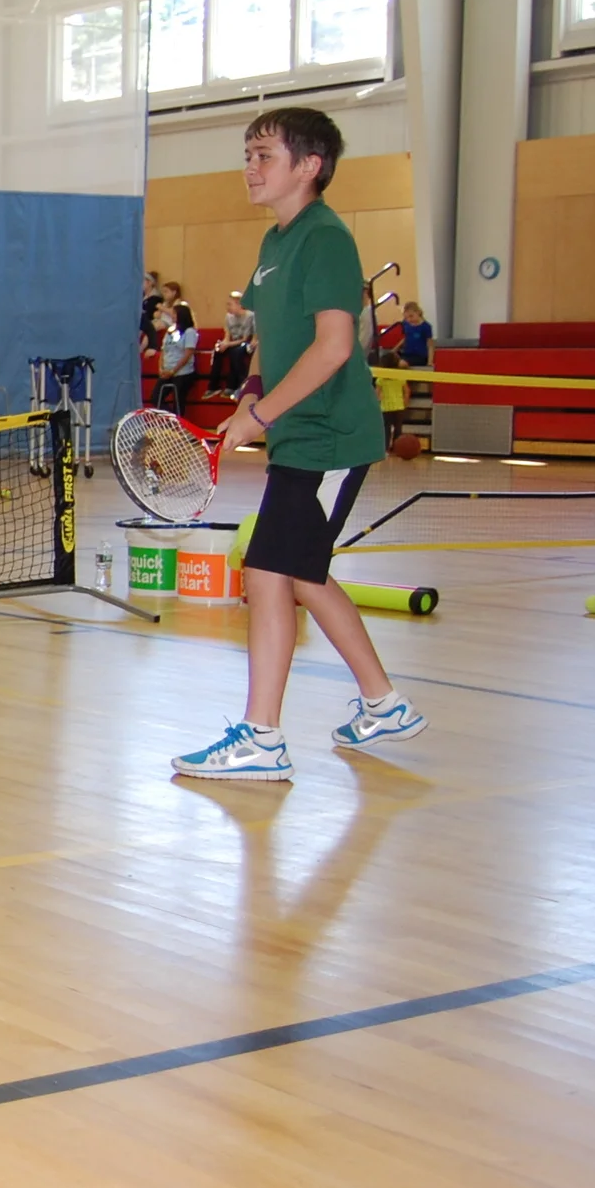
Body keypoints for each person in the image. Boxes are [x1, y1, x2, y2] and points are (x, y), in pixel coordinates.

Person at [173, 107, 424, 781]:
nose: (250, 168)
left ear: (309, 166)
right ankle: (382, 703)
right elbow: (273, 341)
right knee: (299, 575)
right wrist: (253, 393)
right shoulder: (275, 244)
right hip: (296, 435)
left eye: (264, 155)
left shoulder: (325, 239)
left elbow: (337, 346)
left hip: (330, 438)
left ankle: (263, 737)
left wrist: (265, 416)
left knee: (268, 573)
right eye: (247, 155)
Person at [155, 299, 199, 412]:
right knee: (155, 397)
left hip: (182, 372)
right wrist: (161, 368)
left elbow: (188, 353)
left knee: (178, 401)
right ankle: (170, 419)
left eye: (174, 313)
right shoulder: (170, 331)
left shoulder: (190, 332)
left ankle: (178, 423)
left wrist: (173, 371)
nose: (172, 315)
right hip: (167, 370)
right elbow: (164, 350)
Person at [211, 291, 254, 394]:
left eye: (230, 304)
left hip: (244, 344)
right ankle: (213, 386)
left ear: (239, 304)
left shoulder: (249, 316)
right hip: (232, 343)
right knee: (218, 350)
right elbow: (227, 336)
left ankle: (239, 384)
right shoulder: (228, 317)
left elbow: (245, 339)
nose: (228, 307)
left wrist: (228, 344)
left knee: (236, 352)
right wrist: (224, 344)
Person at [399, 301, 432, 368]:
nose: (409, 320)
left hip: (419, 356)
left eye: (411, 316)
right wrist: (394, 350)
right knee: (388, 358)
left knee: (402, 363)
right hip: (407, 354)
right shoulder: (406, 324)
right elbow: (406, 338)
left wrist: (430, 362)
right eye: (406, 317)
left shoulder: (425, 327)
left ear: (418, 312)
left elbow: (430, 345)